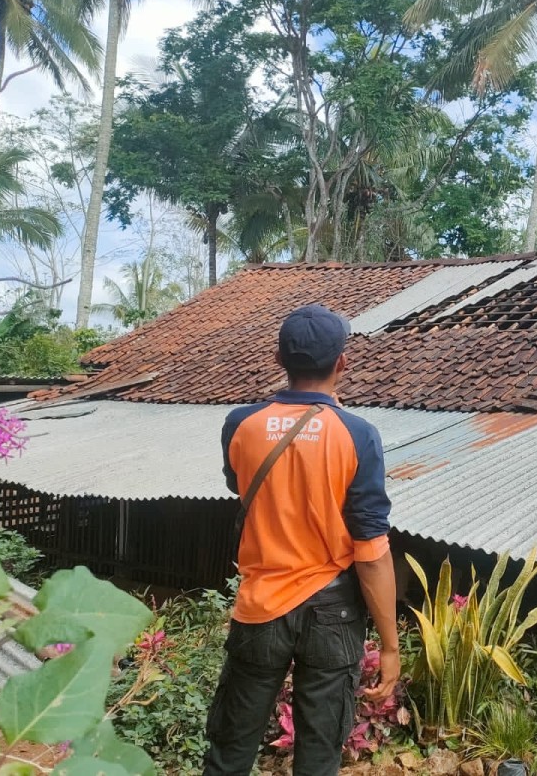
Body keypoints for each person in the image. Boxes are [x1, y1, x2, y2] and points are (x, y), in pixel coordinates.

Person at [203, 304, 400, 776]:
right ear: (342, 364)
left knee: (230, 751)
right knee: (319, 756)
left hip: (261, 606)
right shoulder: (358, 435)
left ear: (279, 358)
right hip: (333, 611)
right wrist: (390, 645)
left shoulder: (240, 424)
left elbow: (239, 484)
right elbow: (371, 549)